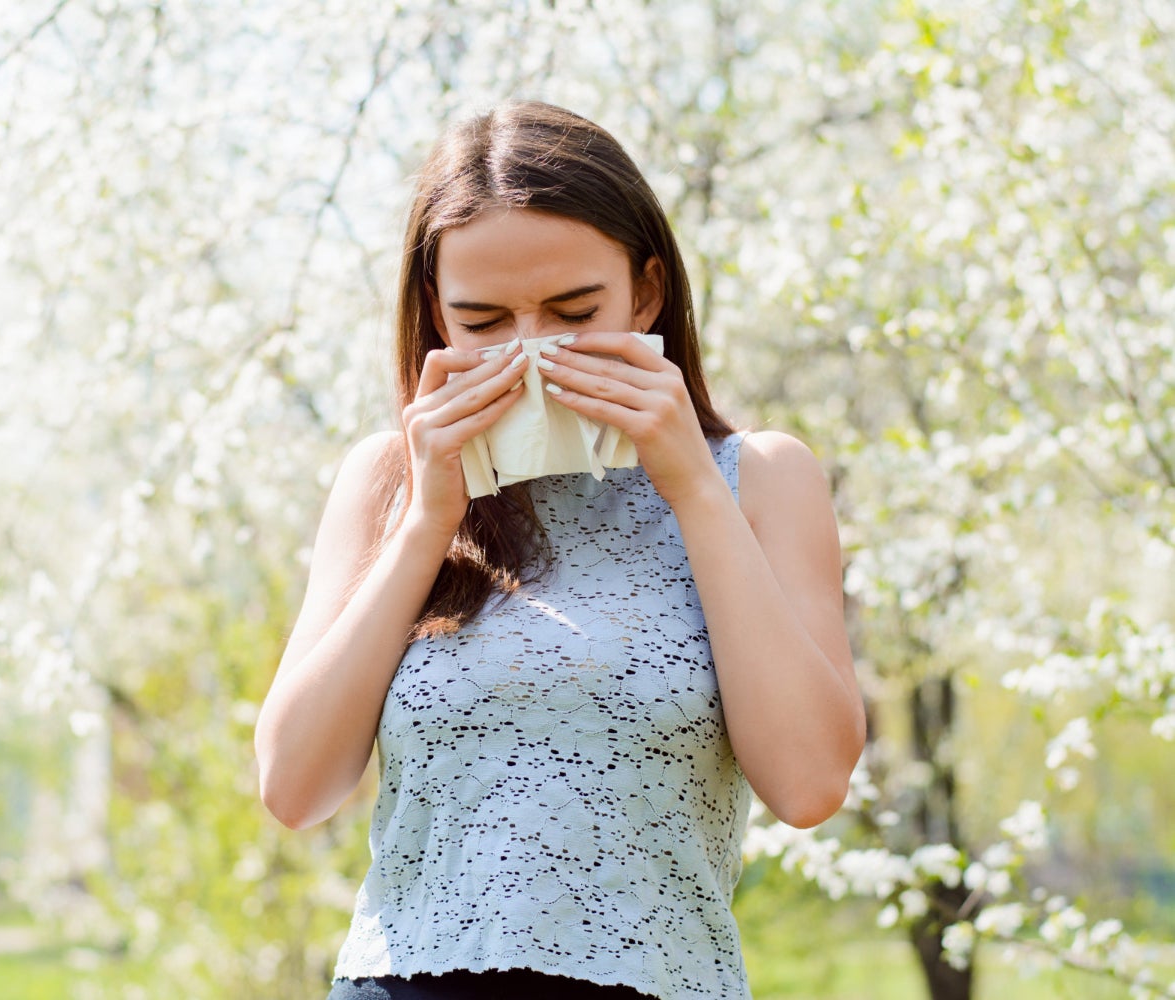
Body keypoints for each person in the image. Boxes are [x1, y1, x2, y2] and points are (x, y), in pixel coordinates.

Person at [254, 101, 865, 1000]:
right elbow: (295, 787)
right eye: (483, 321)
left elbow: (810, 783)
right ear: (434, 312)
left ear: (646, 293)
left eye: (574, 311)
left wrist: (692, 488)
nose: (530, 353)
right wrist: (426, 521)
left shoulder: (760, 480)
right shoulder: (386, 480)